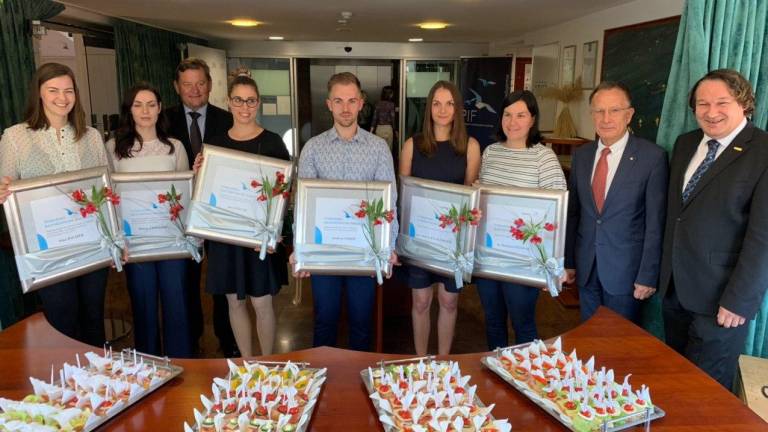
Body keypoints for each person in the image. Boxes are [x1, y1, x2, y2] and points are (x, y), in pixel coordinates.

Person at [659, 69, 768, 390]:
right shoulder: (685, 143)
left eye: (722, 102)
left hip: (722, 300)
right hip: (675, 291)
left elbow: (763, 237)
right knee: (675, 380)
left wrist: (739, 301)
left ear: (744, 103)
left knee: (706, 393)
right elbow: (677, 216)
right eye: (702, 104)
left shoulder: (763, 151)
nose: (711, 112)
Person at [0, 63, 110, 347]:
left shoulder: (92, 136)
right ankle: (66, 374)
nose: (62, 98)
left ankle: (99, 373)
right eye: (53, 90)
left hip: (92, 243)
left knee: (93, 317)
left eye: (68, 90)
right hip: (48, 249)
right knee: (62, 319)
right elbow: (6, 187)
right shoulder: (15, 137)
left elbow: (105, 189)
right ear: (39, 93)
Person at [292, 72, 398, 352]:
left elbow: (389, 202)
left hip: (364, 252)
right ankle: (322, 376)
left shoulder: (378, 148)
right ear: (329, 104)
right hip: (324, 252)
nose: (346, 108)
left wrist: (388, 246)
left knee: (362, 322)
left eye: (352, 100)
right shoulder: (313, 149)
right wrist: (300, 249)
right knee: (324, 320)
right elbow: (303, 203)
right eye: (338, 101)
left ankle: (357, 378)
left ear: (361, 103)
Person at [195, 75, 290, 357]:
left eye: (250, 101)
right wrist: (198, 173)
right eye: (238, 100)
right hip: (225, 237)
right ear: (229, 102)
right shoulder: (215, 145)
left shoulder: (273, 143)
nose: (244, 107)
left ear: (258, 103)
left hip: (258, 239)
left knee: (262, 303)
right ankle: (247, 364)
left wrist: (275, 230)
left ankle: (267, 362)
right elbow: (205, 196)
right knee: (234, 303)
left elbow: (283, 195)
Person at [565, 81, 668, 324]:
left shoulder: (652, 157)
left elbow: (655, 223)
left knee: (619, 339)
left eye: (614, 110)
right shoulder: (582, 155)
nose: (606, 118)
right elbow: (574, 214)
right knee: (587, 336)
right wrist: (569, 261)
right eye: (599, 111)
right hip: (587, 267)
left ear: (629, 115)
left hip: (627, 273)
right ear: (592, 115)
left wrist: (648, 275)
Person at [106, 83, 193, 357]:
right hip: (135, 242)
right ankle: (148, 366)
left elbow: (185, 194)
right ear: (129, 110)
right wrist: (115, 238)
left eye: (151, 104)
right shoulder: (113, 148)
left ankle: (182, 362)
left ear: (159, 109)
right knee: (143, 306)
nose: (145, 111)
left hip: (171, 240)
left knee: (177, 304)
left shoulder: (175, 147)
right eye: (138, 105)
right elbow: (108, 196)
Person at [475, 90, 566, 349]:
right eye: (507, 115)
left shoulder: (544, 157)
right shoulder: (490, 152)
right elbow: (483, 198)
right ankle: (496, 368)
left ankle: (526, 371)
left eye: (520, 115)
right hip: (488, 254)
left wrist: (553, 264)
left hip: (524, 260)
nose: (512, 122)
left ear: (532, 119)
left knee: (522, 323)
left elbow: (556, 214)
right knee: (492, 321)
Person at [399, 80, 481, 356]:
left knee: (448, 302)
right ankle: (421, 360)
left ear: (457, 109)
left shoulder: (470, 146)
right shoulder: (412, 145)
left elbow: (470, 196)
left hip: (451, 242)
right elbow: (404, 197)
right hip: (420, 240)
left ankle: (443, 361)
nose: (442, 110)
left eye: (449, 104)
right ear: (429, 108)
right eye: (436, 104)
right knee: (421, 302)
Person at [165, 58, 238, 357]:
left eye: (200, 83)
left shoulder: (227, 119)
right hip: (179, 214)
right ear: (176, 87)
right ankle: (191, 338)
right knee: (186, 279)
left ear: (209, 85)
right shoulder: (163, 120)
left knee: (221, 279)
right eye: (187, 84)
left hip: (218, 212)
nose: (194, 90)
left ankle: (227, 338)